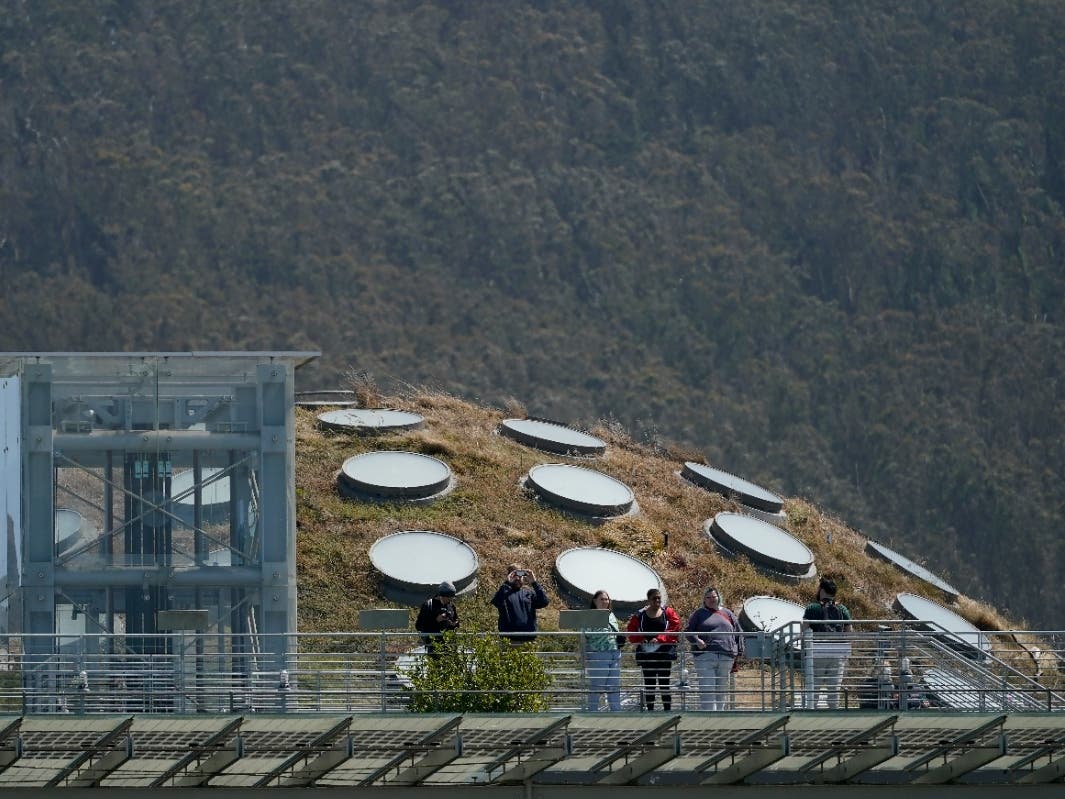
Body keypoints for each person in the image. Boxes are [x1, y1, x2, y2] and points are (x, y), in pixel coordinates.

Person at [685, 586, 745, 711]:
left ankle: (720, 715)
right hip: (705, 655)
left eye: (714, 597)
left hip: (726, 655)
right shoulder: (699, 614)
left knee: (721, 688)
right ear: (704, 600)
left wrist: (738, 651)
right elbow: (689, 630)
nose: (711, 600)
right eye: (708, 597)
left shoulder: (728, 613)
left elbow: (738, 632)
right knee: (707, 687)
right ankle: (709, 716)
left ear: (718, 597)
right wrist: (697, 640)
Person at [801, 577, 853, 709]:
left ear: (822, 590)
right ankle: (833, 718)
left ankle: (811, 717)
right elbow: (849, 634)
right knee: (833, 690)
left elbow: (803, 631)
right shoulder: (842, 609)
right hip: (837, 654)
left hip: (817, 652)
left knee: (814, 688)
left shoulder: (812, 608)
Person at [626, 588, 681, 711]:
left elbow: (675, 627)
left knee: (664, 684)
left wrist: (660, 639)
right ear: (648, 600)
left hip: (664, 653)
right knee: (649, 684)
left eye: (659, 598)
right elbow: (631, 630)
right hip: (647, 654)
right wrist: (641, 639)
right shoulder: (640, 614)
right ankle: (650, 710)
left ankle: (667, 710)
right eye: (654, 598)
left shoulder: (668, 612)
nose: (657, 600)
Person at [583, 590, 623, 712]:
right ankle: (593, 711)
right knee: (597, 686)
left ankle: (616, 712)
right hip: (598, 653)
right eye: (602, 599)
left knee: (613, 686)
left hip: (614, 653)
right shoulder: (589, 616)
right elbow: (586, 634)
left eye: (606, 599)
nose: (605, 601)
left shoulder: (611, 615)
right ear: (595, 601)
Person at [491, 564, 549, 643]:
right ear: (509, 576)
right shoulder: (504, 593)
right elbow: (496, 602)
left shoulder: (529, 593)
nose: (517, 578)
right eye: (514, 575)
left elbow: (544, 602)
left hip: (529, 640)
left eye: (520, 574)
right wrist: (507, 583)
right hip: (510, 640)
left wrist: (534, 582)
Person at [415, 581, 460, 656]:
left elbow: (456, 622)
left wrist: (454, 624)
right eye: (449, 598)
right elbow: (419, 626)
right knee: (436, 667)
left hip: (450, 644)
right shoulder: (429, 605)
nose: (450, 600)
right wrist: (436, 620)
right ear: (442, 595)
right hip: (434, 645)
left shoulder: (451, 605)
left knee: (451, 665)